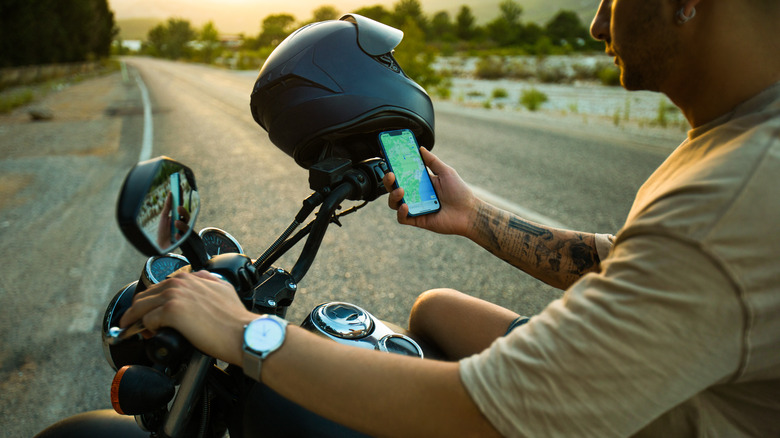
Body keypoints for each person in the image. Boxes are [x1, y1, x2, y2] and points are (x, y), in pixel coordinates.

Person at [120, 0, 780, 436]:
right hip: (683, 388)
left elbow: (481, 408)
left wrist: (242, 333)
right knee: (435, 307)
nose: (598, 25)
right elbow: (624, 262)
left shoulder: (738, 192)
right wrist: (473, 216)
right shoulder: (740, 137)